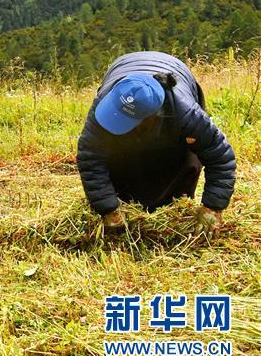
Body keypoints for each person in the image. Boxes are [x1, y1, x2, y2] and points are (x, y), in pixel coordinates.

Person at [76, 51, 236, 235]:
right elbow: (90, 157)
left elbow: (220, 156)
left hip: (176, 79)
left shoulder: (186, 114)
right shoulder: (106, 105)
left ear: (152, 117)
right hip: (124, 67)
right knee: (120, 159)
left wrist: (213, 207)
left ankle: (174, 206)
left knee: (185, 161)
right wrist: (108, 208)